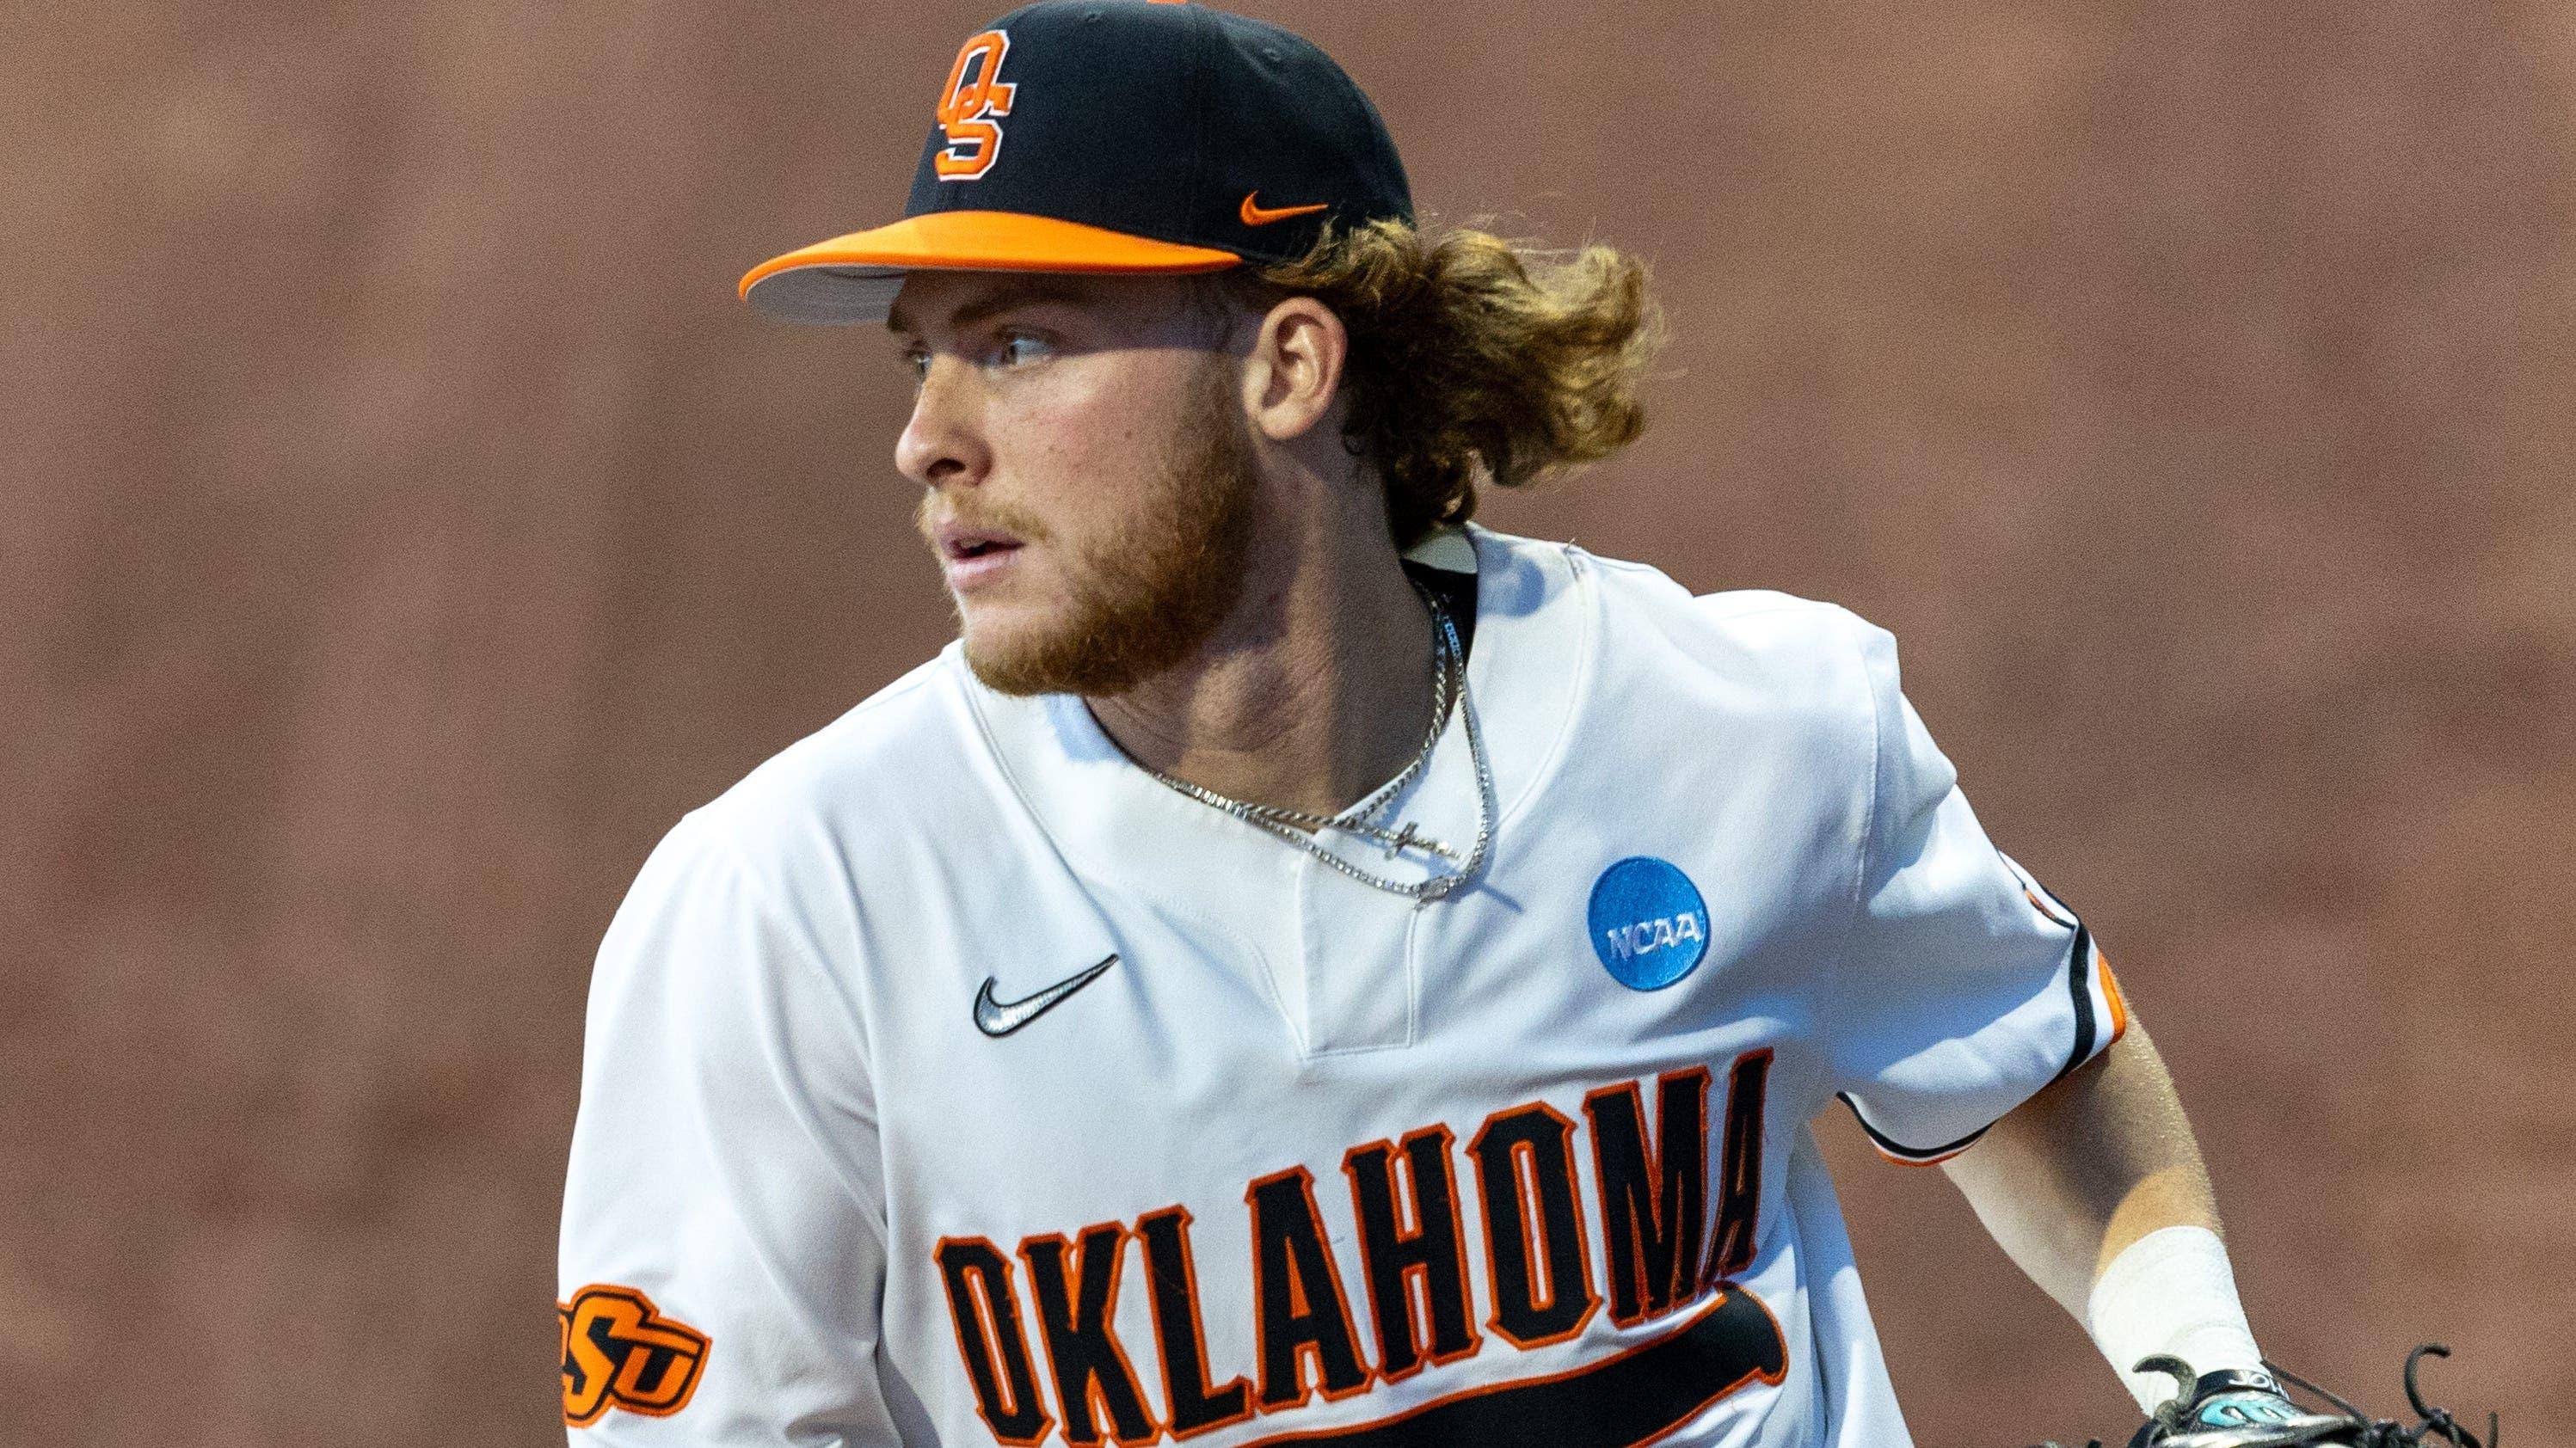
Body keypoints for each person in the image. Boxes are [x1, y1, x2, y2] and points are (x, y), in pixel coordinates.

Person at [557, 3, 2340, 1445]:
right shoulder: (792, 904)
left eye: (1020, 342)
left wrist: (2205, 1371)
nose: (929, 435)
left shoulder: (1751, 731)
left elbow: (2028, 1051)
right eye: (919, 355)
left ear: (1286, 365)